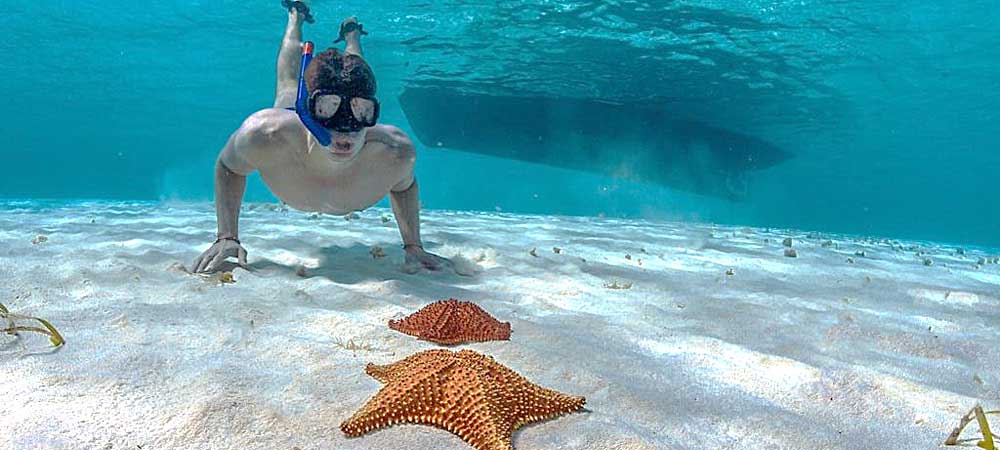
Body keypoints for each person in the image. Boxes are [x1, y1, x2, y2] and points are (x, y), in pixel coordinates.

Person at [192, 0, 450, 274]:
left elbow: (404, 187)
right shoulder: (266, 134)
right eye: (327, 111)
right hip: (292, 115)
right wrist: (227, 236)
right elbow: (228, 166)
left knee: (352, 75)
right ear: (308, 109)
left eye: (359, 113)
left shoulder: (394, 152)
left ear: (371, 113)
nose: (343, 135)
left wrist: (414, 246)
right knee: (289, 84)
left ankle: (352, 34)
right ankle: (295, 15)